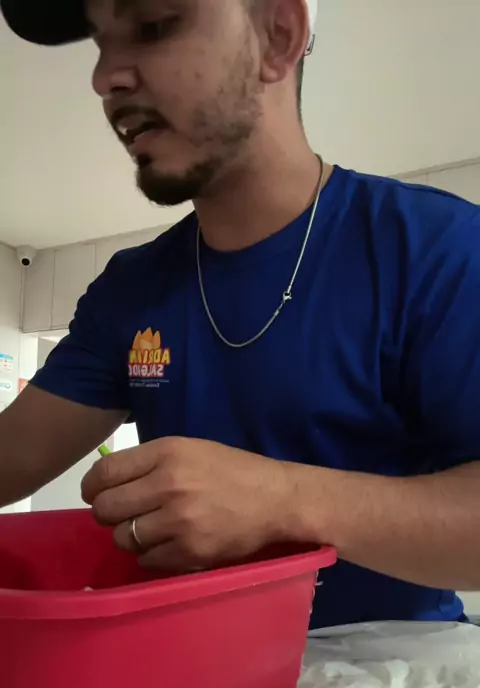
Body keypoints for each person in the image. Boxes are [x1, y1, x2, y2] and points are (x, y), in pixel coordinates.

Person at [1, 0, 480, 629]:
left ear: (278, 36)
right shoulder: (131, 291)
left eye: (153, 26)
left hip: (393, 678)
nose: (104, 77)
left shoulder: (438, 250)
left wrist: (281, 498)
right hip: (182, 671)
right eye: (100, 42)